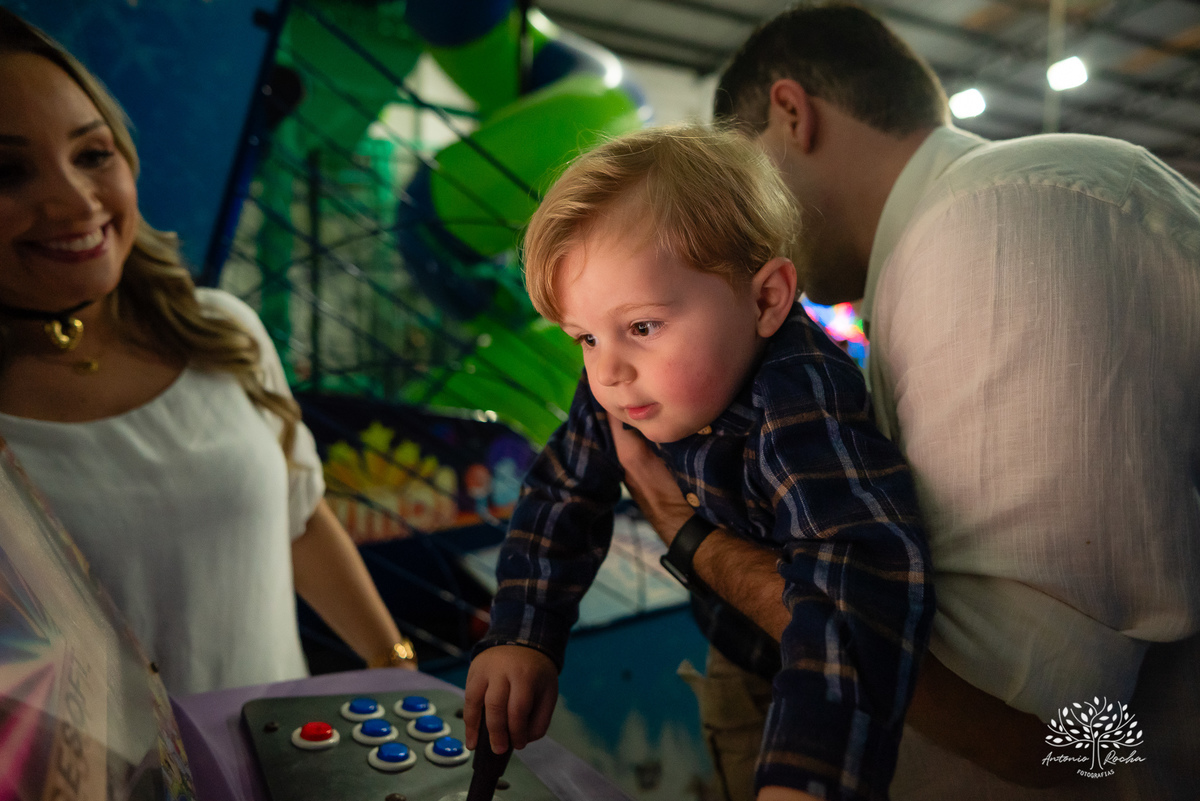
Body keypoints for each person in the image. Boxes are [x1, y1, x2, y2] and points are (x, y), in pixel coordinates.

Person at [617, 3, 1200, 799]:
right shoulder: (956, 236)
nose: (737, 231)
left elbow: (1041, 731)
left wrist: (699, 541)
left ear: (792, 113)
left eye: (736, 182)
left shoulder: (992, 225)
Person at [463, 124, 936, 801]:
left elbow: (855, 585)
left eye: (642, 326)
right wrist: (523, 634)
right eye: (585, 338)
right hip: (737, 654)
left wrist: (809, 775)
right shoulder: (626, 384)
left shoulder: (799, 398)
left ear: (766, 299)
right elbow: (561, 494)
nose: (608, 372)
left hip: (844, 683)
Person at [0, 9, 418, 695]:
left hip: (284, 765)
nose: (75, 202)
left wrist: (395, 664)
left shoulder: (223, 331)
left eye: (93, 154)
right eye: (8, 172)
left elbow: (299, 515)